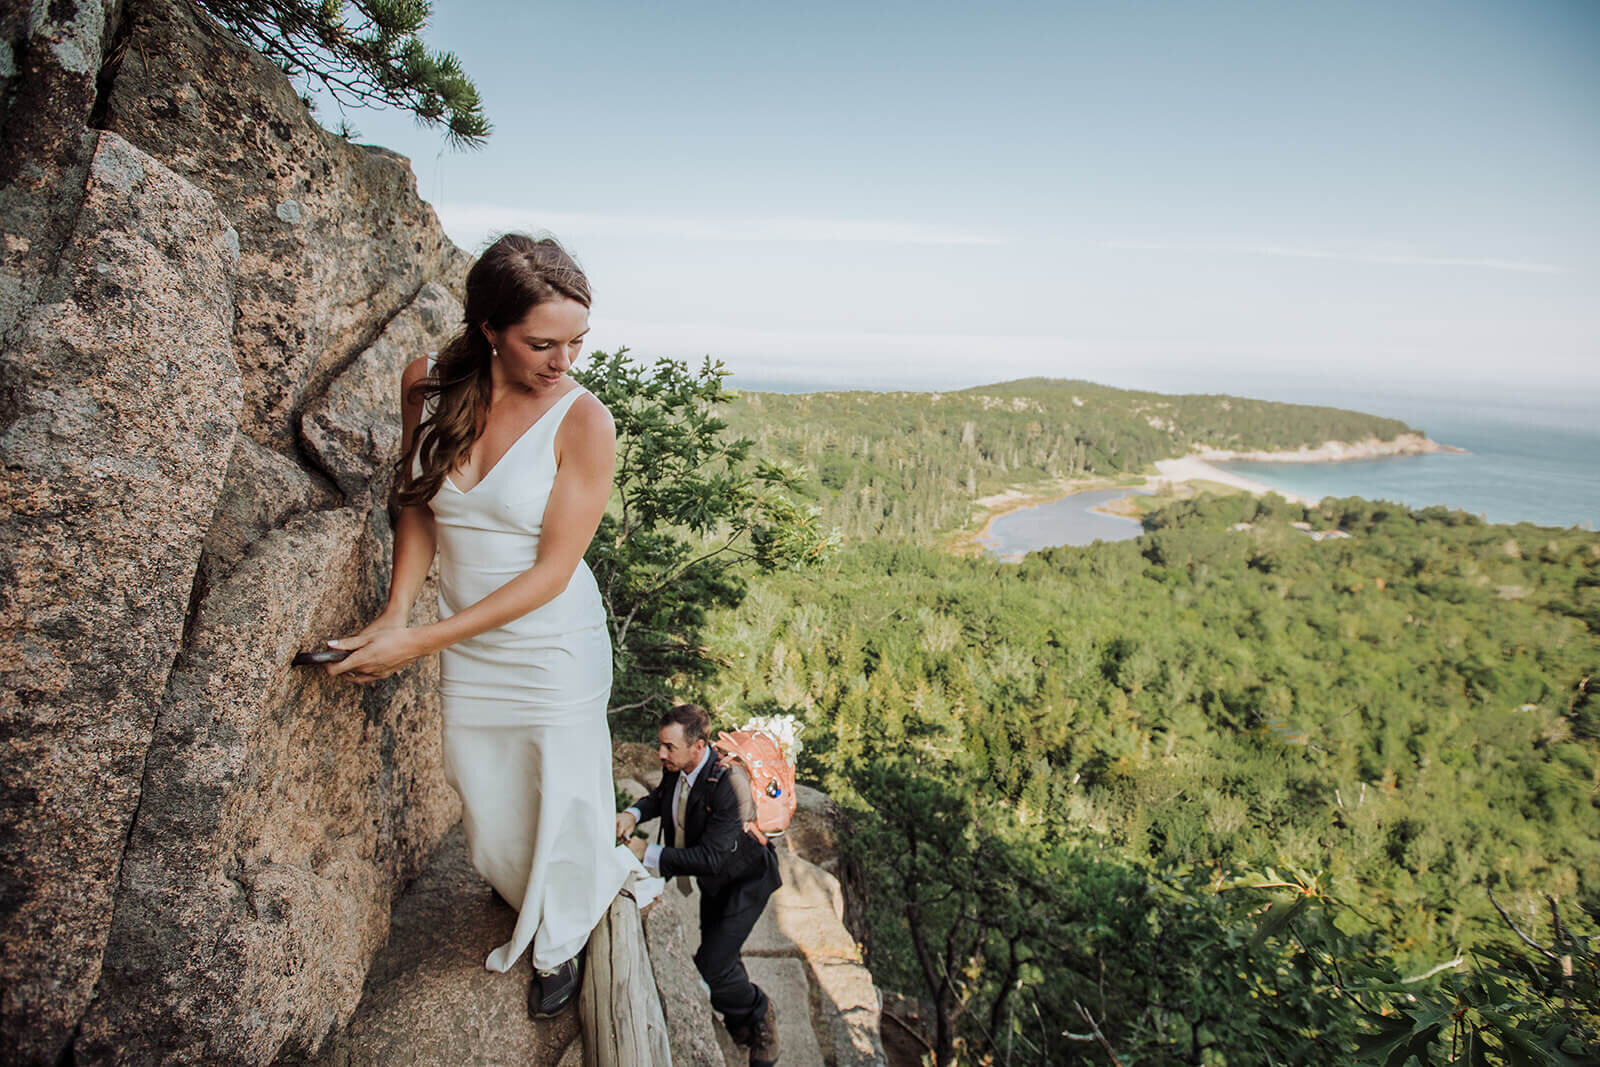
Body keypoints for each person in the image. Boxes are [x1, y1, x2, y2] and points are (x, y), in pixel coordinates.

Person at [321, 233, 630, 1018]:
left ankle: (561, 937)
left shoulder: (585, 423)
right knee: (483, 785)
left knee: (559, 788)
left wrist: (416, 642)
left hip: (551, 640)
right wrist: (396, 612)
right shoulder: (428, 383)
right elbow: (419, 503)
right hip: (465, 630)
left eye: (576, 343)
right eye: (543, 343)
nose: (564, 362)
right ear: (490, 328)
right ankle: (527, 886)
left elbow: (551, 574)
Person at [617, 704, 783, 1066]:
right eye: (661, 745)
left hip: (745, 884)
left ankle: (759, 1011)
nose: (661, 754)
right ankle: (741, 1025)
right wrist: (632, 813)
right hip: (716, 884)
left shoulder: (729, 784)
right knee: (721, 955)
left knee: (708, 969)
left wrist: (649, 852)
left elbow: (711, 857)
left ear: (698, 745)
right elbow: (662, 798)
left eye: (669, 747)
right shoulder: (679, 769)